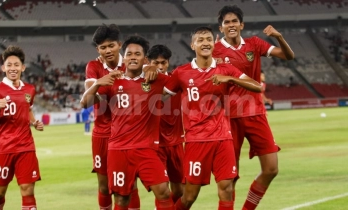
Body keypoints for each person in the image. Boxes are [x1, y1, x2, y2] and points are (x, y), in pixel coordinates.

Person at [164, 26, 262, 210]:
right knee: (190, 195)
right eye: (200, 40)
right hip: (196, 141)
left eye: (208, 39)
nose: (205, 43)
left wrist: (231, 80)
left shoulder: (226, 69)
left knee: (226, 189)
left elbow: (256, 86)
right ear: (193, 45)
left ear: (214, 43)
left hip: (223, 138)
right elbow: (160, 95)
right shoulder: (181, 73)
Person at [213, 5, 294, 210]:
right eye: (226, 22)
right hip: (228, 117)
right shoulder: (214, 51)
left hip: (256, 113)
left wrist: (279, 37)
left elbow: (288, 56)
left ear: (241, 24)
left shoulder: (254, 44)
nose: (231, 25)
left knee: (271, 169)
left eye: (234, 21)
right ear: (221, 28)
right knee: (231, 176)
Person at [81, 35, 174, 210]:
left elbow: (181, 82)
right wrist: (97, 83)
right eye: (129, 53)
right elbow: (85, 103)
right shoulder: (112, 80)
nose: (133, 57)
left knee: (163, 191)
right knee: (122, 198)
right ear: (124, 57)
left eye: (137, 54)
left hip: (146, 149)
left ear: (144, 59)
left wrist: (154, 67)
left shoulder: (155, 79)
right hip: (119, 150)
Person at [0, 45, 44, 210]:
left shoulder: (30, 89)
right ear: (3, 68)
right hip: (3, 148)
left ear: (23, 67)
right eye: (9, 65)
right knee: (0, 191)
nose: (12, 68)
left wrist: (34, 122)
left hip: (26, 147)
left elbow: (27, 108)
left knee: (27, 189)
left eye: (16, 65)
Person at [147, 45, 184, 203]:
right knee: (162, 189)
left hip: (176, 142)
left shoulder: (176, 81)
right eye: (156, 63)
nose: (160, 67)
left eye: (164, 62)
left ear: (168, 62)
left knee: (179, 190)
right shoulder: (144, 84)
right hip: (155, 145)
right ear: (149, 63)